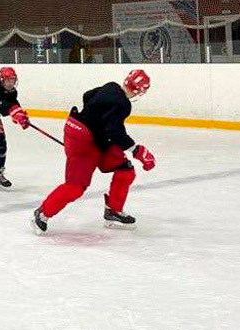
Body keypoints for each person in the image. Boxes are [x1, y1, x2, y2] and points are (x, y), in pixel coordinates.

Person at [32, 70, 154, 231]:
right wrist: (137, 150)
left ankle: (113, 210)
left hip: (89, 135)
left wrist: (93, 118)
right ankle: (42, 213)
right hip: (83, 140)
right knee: (76, 186)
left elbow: (88, 95)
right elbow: (115, 132)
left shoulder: (111, 86)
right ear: (140, 91)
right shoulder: (123, 104)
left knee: (125, 170)